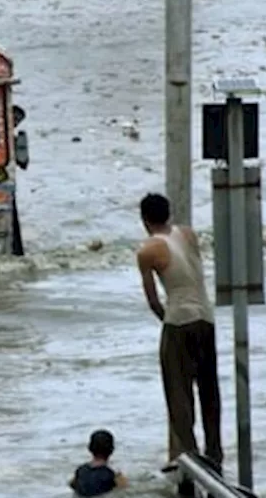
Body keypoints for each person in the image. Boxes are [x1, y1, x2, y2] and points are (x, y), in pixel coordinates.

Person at [135, 193, 223, 488]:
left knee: (179, 397)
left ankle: (189, 462)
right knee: (209, 390)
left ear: (144, 219)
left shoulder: (147, 250)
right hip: (206, 319)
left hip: (179, 321)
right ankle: (215, 455)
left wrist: (167, 319)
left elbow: (152, 299)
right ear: (169, 213)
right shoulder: (188, 234)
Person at [69, 430, 129, 497]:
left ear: (89, 448)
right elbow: (126, 490)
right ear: (112, 450)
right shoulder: (114, 475)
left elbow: (72, 484)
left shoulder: (80, 471)